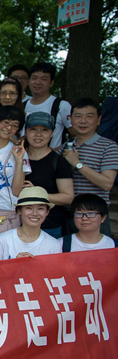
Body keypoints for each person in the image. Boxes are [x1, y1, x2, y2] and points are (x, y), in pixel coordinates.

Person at [60, 98, 118, 237]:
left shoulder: (109, 146)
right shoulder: (65, 147)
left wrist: (77, 164)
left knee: (100, 251)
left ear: (99, 120)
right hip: (68, 214)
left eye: (89, 116)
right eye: (78, 116)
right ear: (70, 119)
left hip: (95, 216)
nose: (83, 121)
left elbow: (107, 184)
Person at [24, 112, 74, 238]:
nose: (38, 134)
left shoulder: (59, 162)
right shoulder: (16, 156)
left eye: (44, 130)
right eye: (33, 129)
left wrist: (37, 193)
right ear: (25, 131)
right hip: (17, 224)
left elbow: (68, 197)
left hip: (50, 226)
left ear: (52, 133)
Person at [0, 187, 62, 260]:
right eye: (29, 208)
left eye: (40, 208)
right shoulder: (2, 240)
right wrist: (15, 264)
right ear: (19, 211)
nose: (34, 213)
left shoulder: (54, 244)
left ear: (47, 212)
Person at [0, 106, 30, 218]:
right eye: (5, 122)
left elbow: (16, 191)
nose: (9, 128)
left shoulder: (19, 151)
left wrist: (19, 161)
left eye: (14, 126)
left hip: (7, 211)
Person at [23, 62, 72, 149]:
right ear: (29, 81)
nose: (38, 82)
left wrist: (56, 152)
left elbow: (76, 135)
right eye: (34, 78)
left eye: (44, 79)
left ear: (51, 83)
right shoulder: (22, 106)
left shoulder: (61, 106)